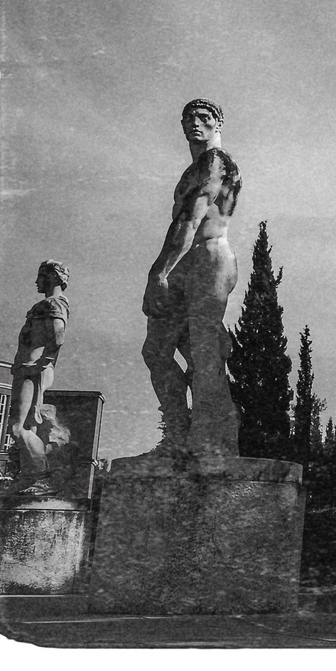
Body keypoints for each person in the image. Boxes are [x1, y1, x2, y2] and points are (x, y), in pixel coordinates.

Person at [141, 98, 243, 456]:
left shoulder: (216, 162)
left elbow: (191, 219)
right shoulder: (194, 167)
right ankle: (177, 432)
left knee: (203, 351)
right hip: (186, 263)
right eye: (188, 119)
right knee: (156, 350)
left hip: (210, 258)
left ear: (219, 123)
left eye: (204, 117)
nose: (194, 124)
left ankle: (208, 434)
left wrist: (159, 272)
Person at [8, 259, 71, 494]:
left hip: (32, 370)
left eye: (41, 276)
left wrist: (41, 363)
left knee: (19, 427)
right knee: (25, 427)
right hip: (27, 369)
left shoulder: (53, 303)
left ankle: (42, 477)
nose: (37, 281)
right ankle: (29, 476)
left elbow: (57, 336)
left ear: (53, 277)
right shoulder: (47, 303)